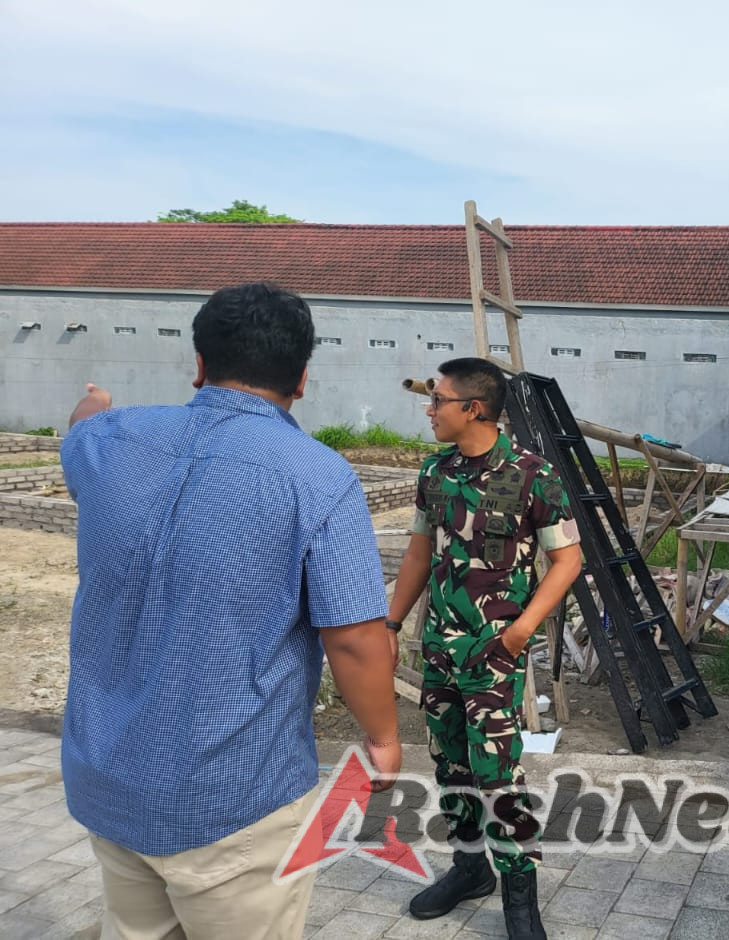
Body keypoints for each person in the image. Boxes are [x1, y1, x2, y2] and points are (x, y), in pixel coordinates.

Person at [60, 282, 400, 940]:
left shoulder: (106, 441)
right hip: (232, 801)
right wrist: (384, 740)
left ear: (199, 364)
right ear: (302, 380)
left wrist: (94, 403)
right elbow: (355, 639)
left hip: (108, 781)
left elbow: (79, 431)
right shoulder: (320, 478)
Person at [387, 357, 582, 940]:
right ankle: (470, 869)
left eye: (438, 400)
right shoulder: (434, 472)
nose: (429, 409)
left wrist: (520, 632)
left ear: (472, 407)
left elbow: (567, 559)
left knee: (498, 775)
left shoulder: (532, 474)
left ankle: (520, 899)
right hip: (441, 651)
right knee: (450, 765)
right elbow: (421, 552)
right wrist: (393, 622)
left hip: (494, 655)